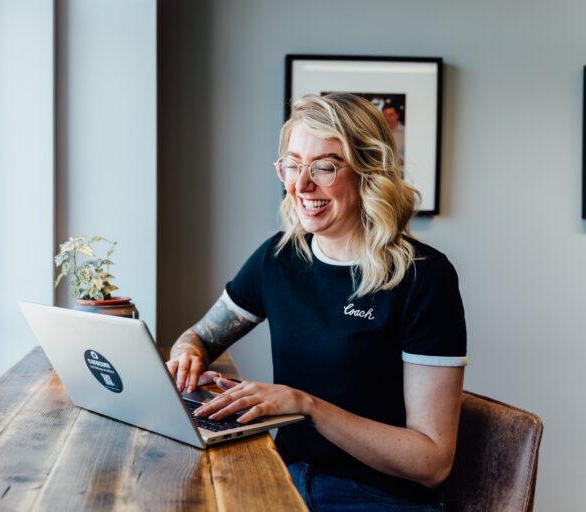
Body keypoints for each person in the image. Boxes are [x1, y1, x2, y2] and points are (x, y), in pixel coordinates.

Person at [165, 92, 466, 512]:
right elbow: (199, 337)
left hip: (379, 497)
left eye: (324, 167)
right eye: (291, 165)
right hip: (283, 476)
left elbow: (432, 462)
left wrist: (305, 405)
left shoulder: (423, 277)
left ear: (369, 170)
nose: (300, 185)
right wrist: (186, 354)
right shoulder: (279, 257)